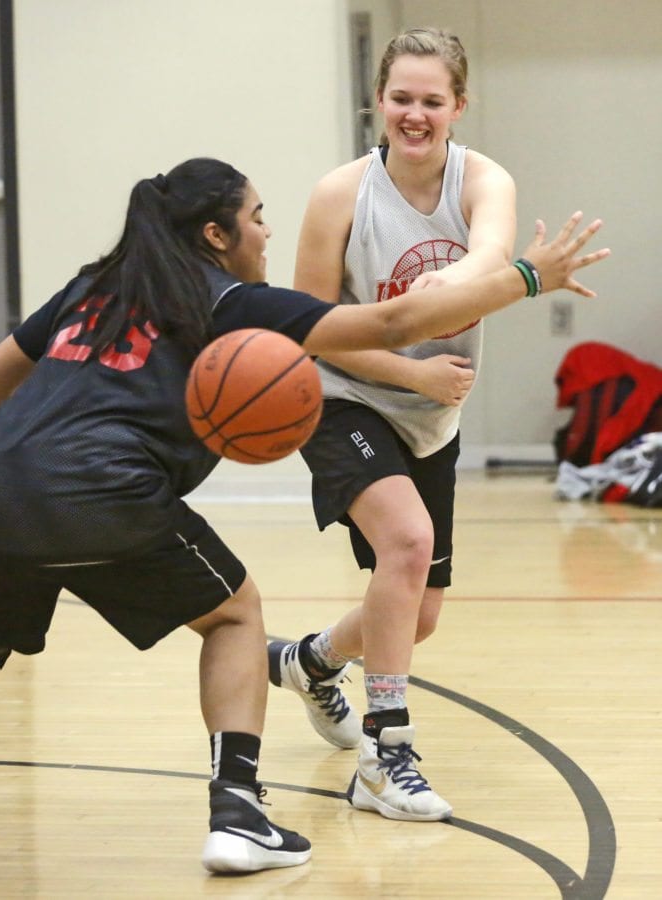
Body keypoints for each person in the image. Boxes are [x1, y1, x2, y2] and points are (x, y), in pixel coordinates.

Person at [0, 157, 605, 873]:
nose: (265, 229)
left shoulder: (96, 285)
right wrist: (528, 276)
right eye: (255, 216)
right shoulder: (227, 300)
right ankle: (238, 815)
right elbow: (399, 317)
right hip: (101, 489)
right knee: (234, 612)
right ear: (216, 234)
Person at [267, 27, 524, 822]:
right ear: (378, 101)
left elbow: (489, 256)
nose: (414, 114)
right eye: (400, 98)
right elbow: (310, 326)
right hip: (345, 397)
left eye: (431, 101)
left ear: (459, 106)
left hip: (430, 417)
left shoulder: (483, 180)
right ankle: (386, 755)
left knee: (419, 613)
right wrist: (408, 361)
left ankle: (310, 661)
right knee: (406, 544)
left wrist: (442, 317)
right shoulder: (339, 193)